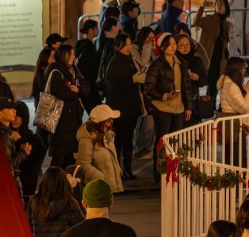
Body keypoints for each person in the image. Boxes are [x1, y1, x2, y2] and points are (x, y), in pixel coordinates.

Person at [103, 34, 143, 180]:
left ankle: (127, 168)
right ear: (118, 46)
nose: (128, 47)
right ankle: (117, 169)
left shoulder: (130, 59)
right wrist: (132, 80)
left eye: (129, 44)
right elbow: (113, 88)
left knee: (128, 139)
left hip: (131, 107)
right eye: (125, 45)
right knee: (118, 140)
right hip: (119, 109)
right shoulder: (114, 63)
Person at [43, 42, 85, 168]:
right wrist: (77, 93)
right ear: (63, 55)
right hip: (60, 119)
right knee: (60, 156)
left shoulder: (72, 70)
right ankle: (53, 183)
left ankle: (66, 183)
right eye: (71, 54)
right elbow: (62, 94)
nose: (73, 56)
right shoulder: (56, 71)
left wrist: (78, 90)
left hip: (70, 120)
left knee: (68, 155)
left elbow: (86, 86)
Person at [144, 33, 188, 152]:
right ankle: (158, 170)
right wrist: (164, 96)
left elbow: (185, 87)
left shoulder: (181, 63)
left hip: (179, 108)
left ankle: (172, 170)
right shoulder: (155, 65)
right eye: (169, 44)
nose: (173, 47)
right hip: (163, 108)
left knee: (176, 142)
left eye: (174, 44)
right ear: (162, 47)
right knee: (162, 142)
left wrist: (188, 107)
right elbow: (148, 88)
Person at [28, 166, 84, 237]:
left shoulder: (33, 203)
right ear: (64, 183)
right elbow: (81, 230)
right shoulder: (70, 204)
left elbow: (26, 229)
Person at [76, 105, 125, 191]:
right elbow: (83, 165)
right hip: (98, 189)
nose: (111, 122)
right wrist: (100, 177)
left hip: (110, 188)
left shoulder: (107, 136)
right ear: (100, 122)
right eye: (108, 120)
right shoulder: (87, 140)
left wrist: (117, 170)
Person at [195, 0, 234, 105]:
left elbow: (228, 41)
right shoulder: (209, 19)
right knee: (209, 81)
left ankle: (211, 106)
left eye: (222, 4)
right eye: (217, 4)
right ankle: (207, 106)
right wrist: (202, 7)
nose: (219, 5)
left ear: (226, 7)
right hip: (208, 55)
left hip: (221, 57)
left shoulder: (227, 23)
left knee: (216, 82)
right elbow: (196, 22)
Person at [176, 33, 210, 124]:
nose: (185, 47)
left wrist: (198, 78)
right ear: (176, 47)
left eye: (188, 44)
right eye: (182, 45)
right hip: (177, 102)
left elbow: (204, 81)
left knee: (193, 128)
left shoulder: (197, 60)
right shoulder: (174, 61)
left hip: (194, 101)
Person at [74, 17, 102, 109]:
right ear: (90, 30)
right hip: (89, 84)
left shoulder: (81, 45)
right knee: (96, 110)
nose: (98, 30)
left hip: (86, 83)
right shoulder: (88, 46)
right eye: (96, 28)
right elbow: (89, 65)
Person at [31, 32, 66, 97]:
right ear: (53, 45)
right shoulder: (46, 71)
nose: (62, 46)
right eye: (60, 44)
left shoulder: (42, 70)